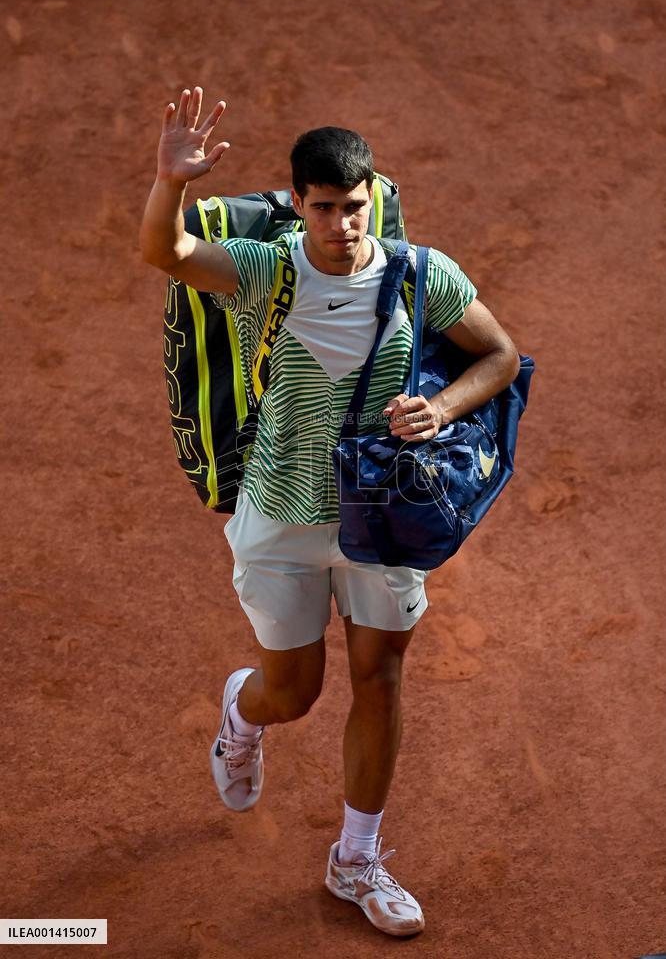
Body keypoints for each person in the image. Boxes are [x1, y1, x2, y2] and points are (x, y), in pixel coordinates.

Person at [140, 87, 520, 938]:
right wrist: (170, 180)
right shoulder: (265, 270)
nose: (342, 224)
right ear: (300, 202)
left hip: (382, 514)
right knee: (296, 692)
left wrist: (445, 407)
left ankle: (357, 860)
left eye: (355, 207)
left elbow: (499, 354)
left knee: (380, 679)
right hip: (281, 517)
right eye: (323, 208)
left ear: (371, 195)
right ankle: (244, 713)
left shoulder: (423, 273)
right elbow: (163, 252)